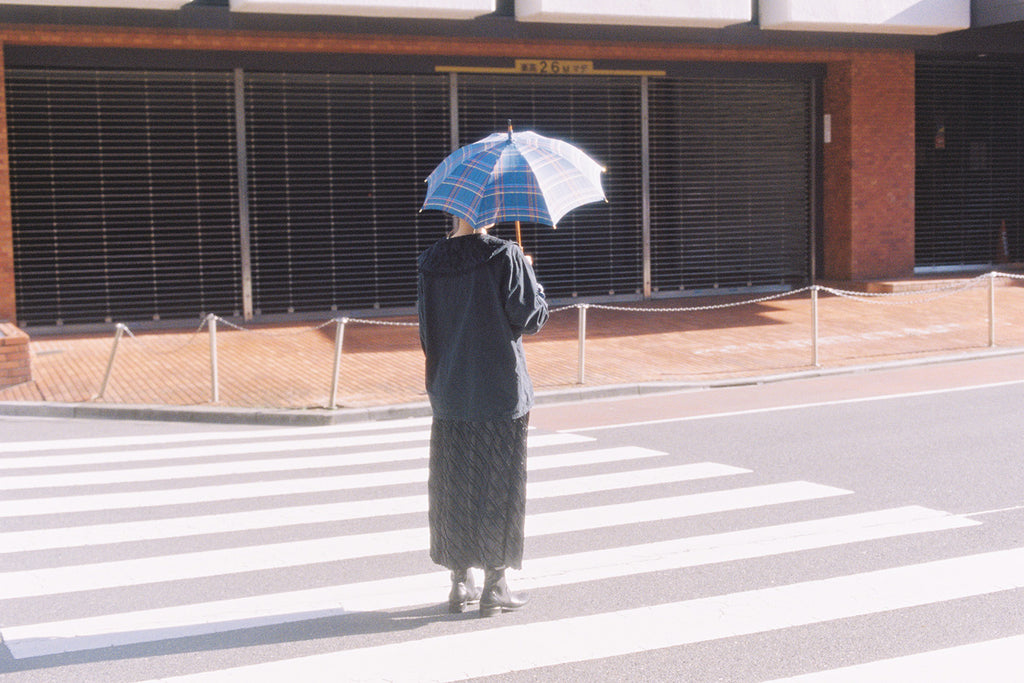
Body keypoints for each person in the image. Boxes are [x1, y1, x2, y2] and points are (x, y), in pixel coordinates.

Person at [416, 217, 549, 617]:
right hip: (499, 392)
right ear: (488, 211)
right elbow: (531, 318)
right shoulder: (505, 255)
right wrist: (533, 281)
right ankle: (495, 584)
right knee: (499, 486)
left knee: (453, 486)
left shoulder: (430, 262)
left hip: (451, 391)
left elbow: (427, 334)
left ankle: (460, 583)